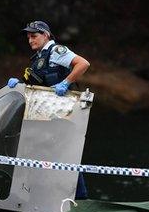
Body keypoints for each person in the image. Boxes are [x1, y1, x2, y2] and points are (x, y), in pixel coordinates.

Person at [7, 20, 91, 199]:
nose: (30, 40)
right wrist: (20, 84)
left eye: (34, 36)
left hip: (62, 115)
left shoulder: (56, 51)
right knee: (35, 154)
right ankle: (23, 199)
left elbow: (83, 64)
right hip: (44, 115)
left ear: (45, 35)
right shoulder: (38, 57)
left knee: (65, 156)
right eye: (28, 37)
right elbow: (37, 85)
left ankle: (80, 200)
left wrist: (66, 82)